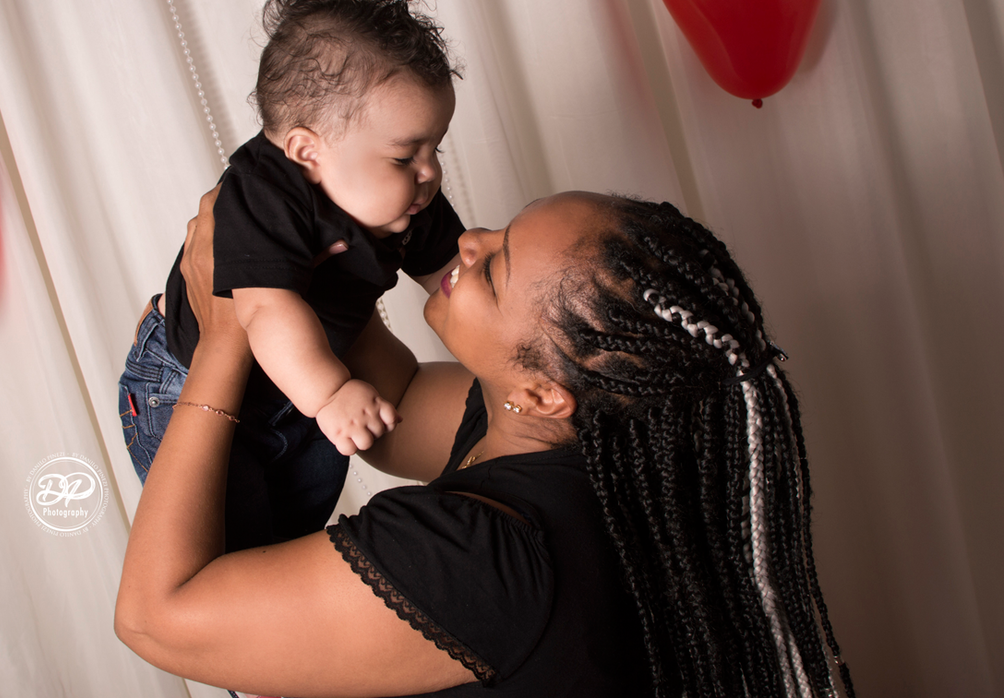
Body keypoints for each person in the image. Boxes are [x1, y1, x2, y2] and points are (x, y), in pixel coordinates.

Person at [115, 188, 858, 698]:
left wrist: (221, 340)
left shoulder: (483, 557)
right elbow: (397, 401)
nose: (467, 242)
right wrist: (335, 254)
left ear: (542, 393)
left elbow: (156, 616)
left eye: (495, 266)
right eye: (498, 231)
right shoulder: (581, 448)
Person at [118, 0, 463, 550]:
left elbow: (454, 278)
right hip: (190, 385)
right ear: (308, 151)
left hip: (298, 389)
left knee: (291, 537)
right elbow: (267, 311)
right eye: (406, 154)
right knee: (236, 549)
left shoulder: (406, 194)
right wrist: (330, 395)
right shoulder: (261, 194)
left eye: (436, 148)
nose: (429, 172)